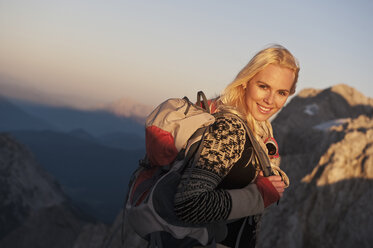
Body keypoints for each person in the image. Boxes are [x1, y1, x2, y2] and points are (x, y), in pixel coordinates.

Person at [173, 44, 299, 248]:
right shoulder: (231, 129)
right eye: (263, 86)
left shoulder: (258, 130)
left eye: (281, 92)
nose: (270, 100)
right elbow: (188, 205)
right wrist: (258, 196)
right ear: (246, 82)